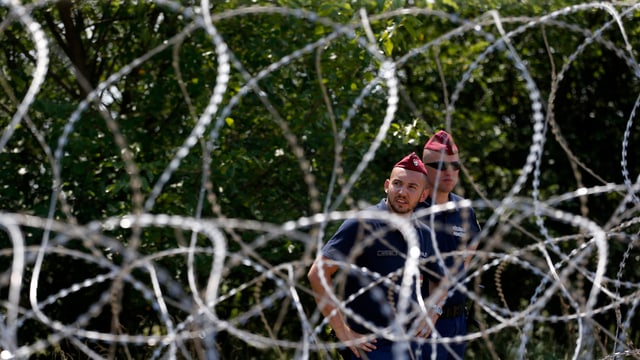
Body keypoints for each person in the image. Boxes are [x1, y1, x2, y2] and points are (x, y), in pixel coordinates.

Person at [307, 152, 447, 360]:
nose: (402, 192)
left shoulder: (424, 234)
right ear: (386, 185)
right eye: (398, 184)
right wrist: (342, 331)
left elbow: (442, 279)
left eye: (411, 187)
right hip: (371, 346)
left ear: (423, 196)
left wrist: (433, 311)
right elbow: (317, 274)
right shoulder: (363, 224)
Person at [417, 130, 481, 360]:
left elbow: (468, 252)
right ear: (425, 168)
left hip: (454, 322)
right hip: (418, 323)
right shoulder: (411, 210)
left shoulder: (464, 210)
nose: (450, 172)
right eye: (441, 166)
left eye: (455, 166)